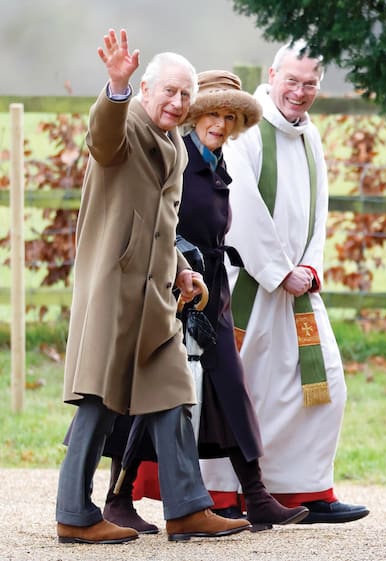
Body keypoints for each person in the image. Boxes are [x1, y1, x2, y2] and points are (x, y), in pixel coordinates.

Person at [55, 28, 251, 545]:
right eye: (169, 90)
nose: (178, 102)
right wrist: (114, 88)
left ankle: (186, 509)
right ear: (145, 89)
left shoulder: (175, 147)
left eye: (186, 94)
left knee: (171, 392)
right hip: (113, 290)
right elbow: (101, 137)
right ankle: (73, 513)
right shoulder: (126, 127)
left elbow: (161, 224)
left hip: (156, 294)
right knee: (97, 401)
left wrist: (182, 269)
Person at [105, 70, 310, 530]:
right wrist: (180, 269)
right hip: (170, 290)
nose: (220, 123)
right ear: (195, 115)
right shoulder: (174, 156)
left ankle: (256, 496)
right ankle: (118, 498)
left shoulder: (219, 162)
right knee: (150, 391)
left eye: (229, 116)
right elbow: (159, 221)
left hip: (213, 290)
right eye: (212, 113)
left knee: (230, 388)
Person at [197, 41, 370, 524]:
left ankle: (306, 490)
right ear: (272, 75)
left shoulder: (309, 134)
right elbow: (243, 209)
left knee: (324, 386)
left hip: (298, 287)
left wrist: (310, 267)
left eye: (310, 84)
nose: (300, 92)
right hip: (253, 285)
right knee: (240, 388)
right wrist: (278, 271)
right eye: (291, 81)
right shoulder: (246, 134)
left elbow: (319, 208)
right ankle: (224, 496)